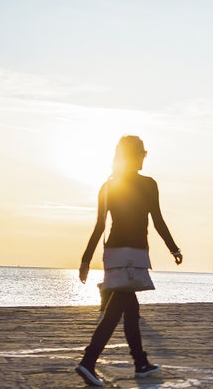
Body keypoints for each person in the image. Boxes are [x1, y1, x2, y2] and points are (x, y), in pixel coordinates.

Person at [76, 135, 183, 387]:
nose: (144, 158)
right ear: (134, 156)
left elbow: (99, 226)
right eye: (141, 154)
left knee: (130, 309)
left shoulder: (107, 186)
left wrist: (85, 260)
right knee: (116, 310)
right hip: (133, 255)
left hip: (113, 254)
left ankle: (140, 363)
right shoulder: (148, 185)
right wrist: (173, 248)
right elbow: (157, 220)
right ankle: (88, 361)